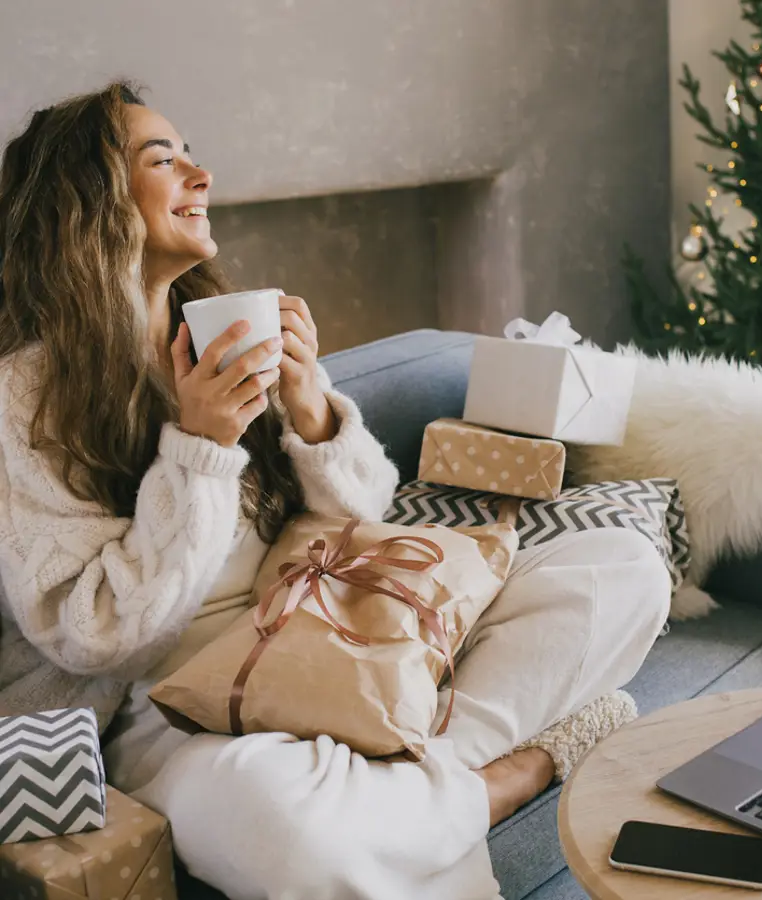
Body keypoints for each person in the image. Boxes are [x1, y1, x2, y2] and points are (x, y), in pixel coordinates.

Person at [0, 82, 670, 900]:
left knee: (621, 570)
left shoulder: (212, 329)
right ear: (87, 201)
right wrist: (201, 447)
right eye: (163, 159)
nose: (201, 174)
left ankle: (413, 765)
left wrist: (312, 410)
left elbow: (357, 525)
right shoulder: (22, 399)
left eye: (189, 152)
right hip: (171, 704)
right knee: (294, 831)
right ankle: (501, 780)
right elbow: (99, 637)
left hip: (320, 624)